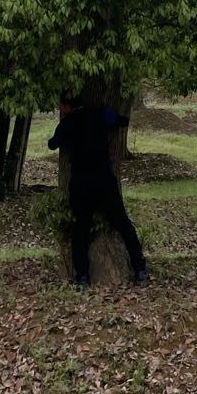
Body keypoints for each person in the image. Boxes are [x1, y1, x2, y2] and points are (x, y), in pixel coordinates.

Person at [48, 95, 149, 289]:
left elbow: (53, 144)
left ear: (67, 106)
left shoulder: (67, 123)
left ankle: (83, 277)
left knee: (81, 230)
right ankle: (140, 269)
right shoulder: (101, 114)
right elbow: (122, 121)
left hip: (81, 183)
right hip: (104, 180)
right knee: (123, 224)